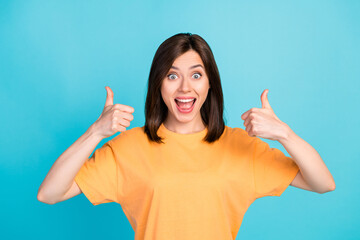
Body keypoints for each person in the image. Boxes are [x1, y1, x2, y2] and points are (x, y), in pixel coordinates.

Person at [37, 33, 336, 240]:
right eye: (171, 75)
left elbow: (323, 183)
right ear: (159, 84)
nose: (184, 88)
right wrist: (95, 133)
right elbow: (49, 193)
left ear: (209, 85)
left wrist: (284, 134)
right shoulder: (129, 147)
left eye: (196, 74)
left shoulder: (241, 146)